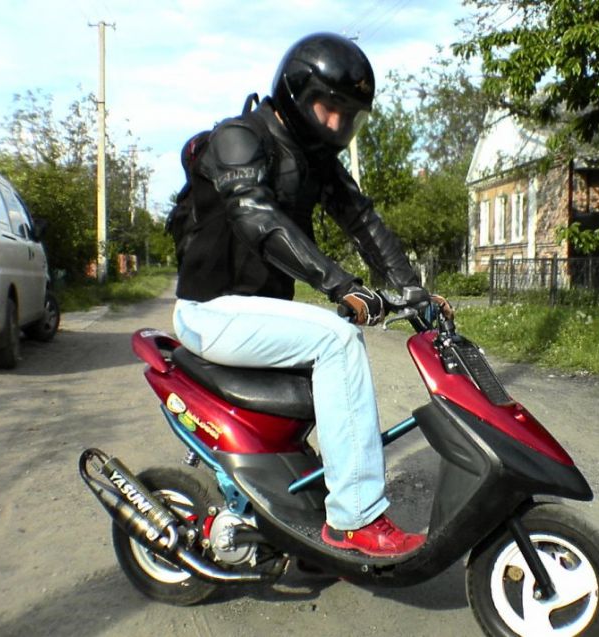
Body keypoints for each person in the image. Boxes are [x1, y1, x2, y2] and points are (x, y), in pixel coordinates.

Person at [172, 33, 437, 558]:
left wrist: (414, 292)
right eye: (328, 107)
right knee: (337, 341)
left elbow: (362, 221)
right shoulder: (239, 139)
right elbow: (255, 216)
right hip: (211, 311)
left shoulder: (315, 160)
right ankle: (355, 519)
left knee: (330, 376)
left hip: (254, 315)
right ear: (296, 92)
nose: (336, 124)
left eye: (348, 115)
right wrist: (342, 285)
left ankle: (306, 497)